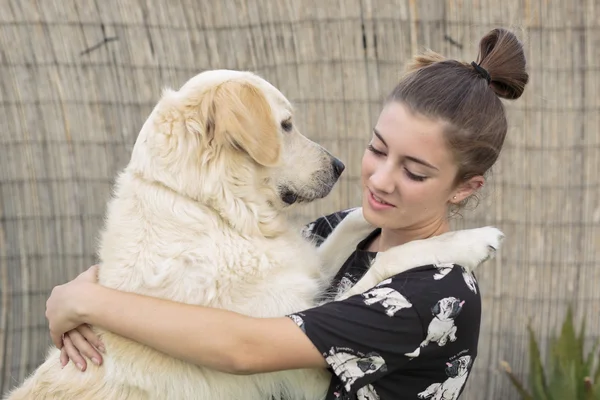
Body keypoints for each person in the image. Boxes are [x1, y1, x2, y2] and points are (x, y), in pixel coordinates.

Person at [45, 27, 528, 399]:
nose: (379, 180)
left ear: (465, 188)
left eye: (415, 173)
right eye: (377, 150)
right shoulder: (342, 230)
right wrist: (81, 295)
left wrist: (87, 302)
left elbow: (253, 350)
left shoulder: (441, 291)